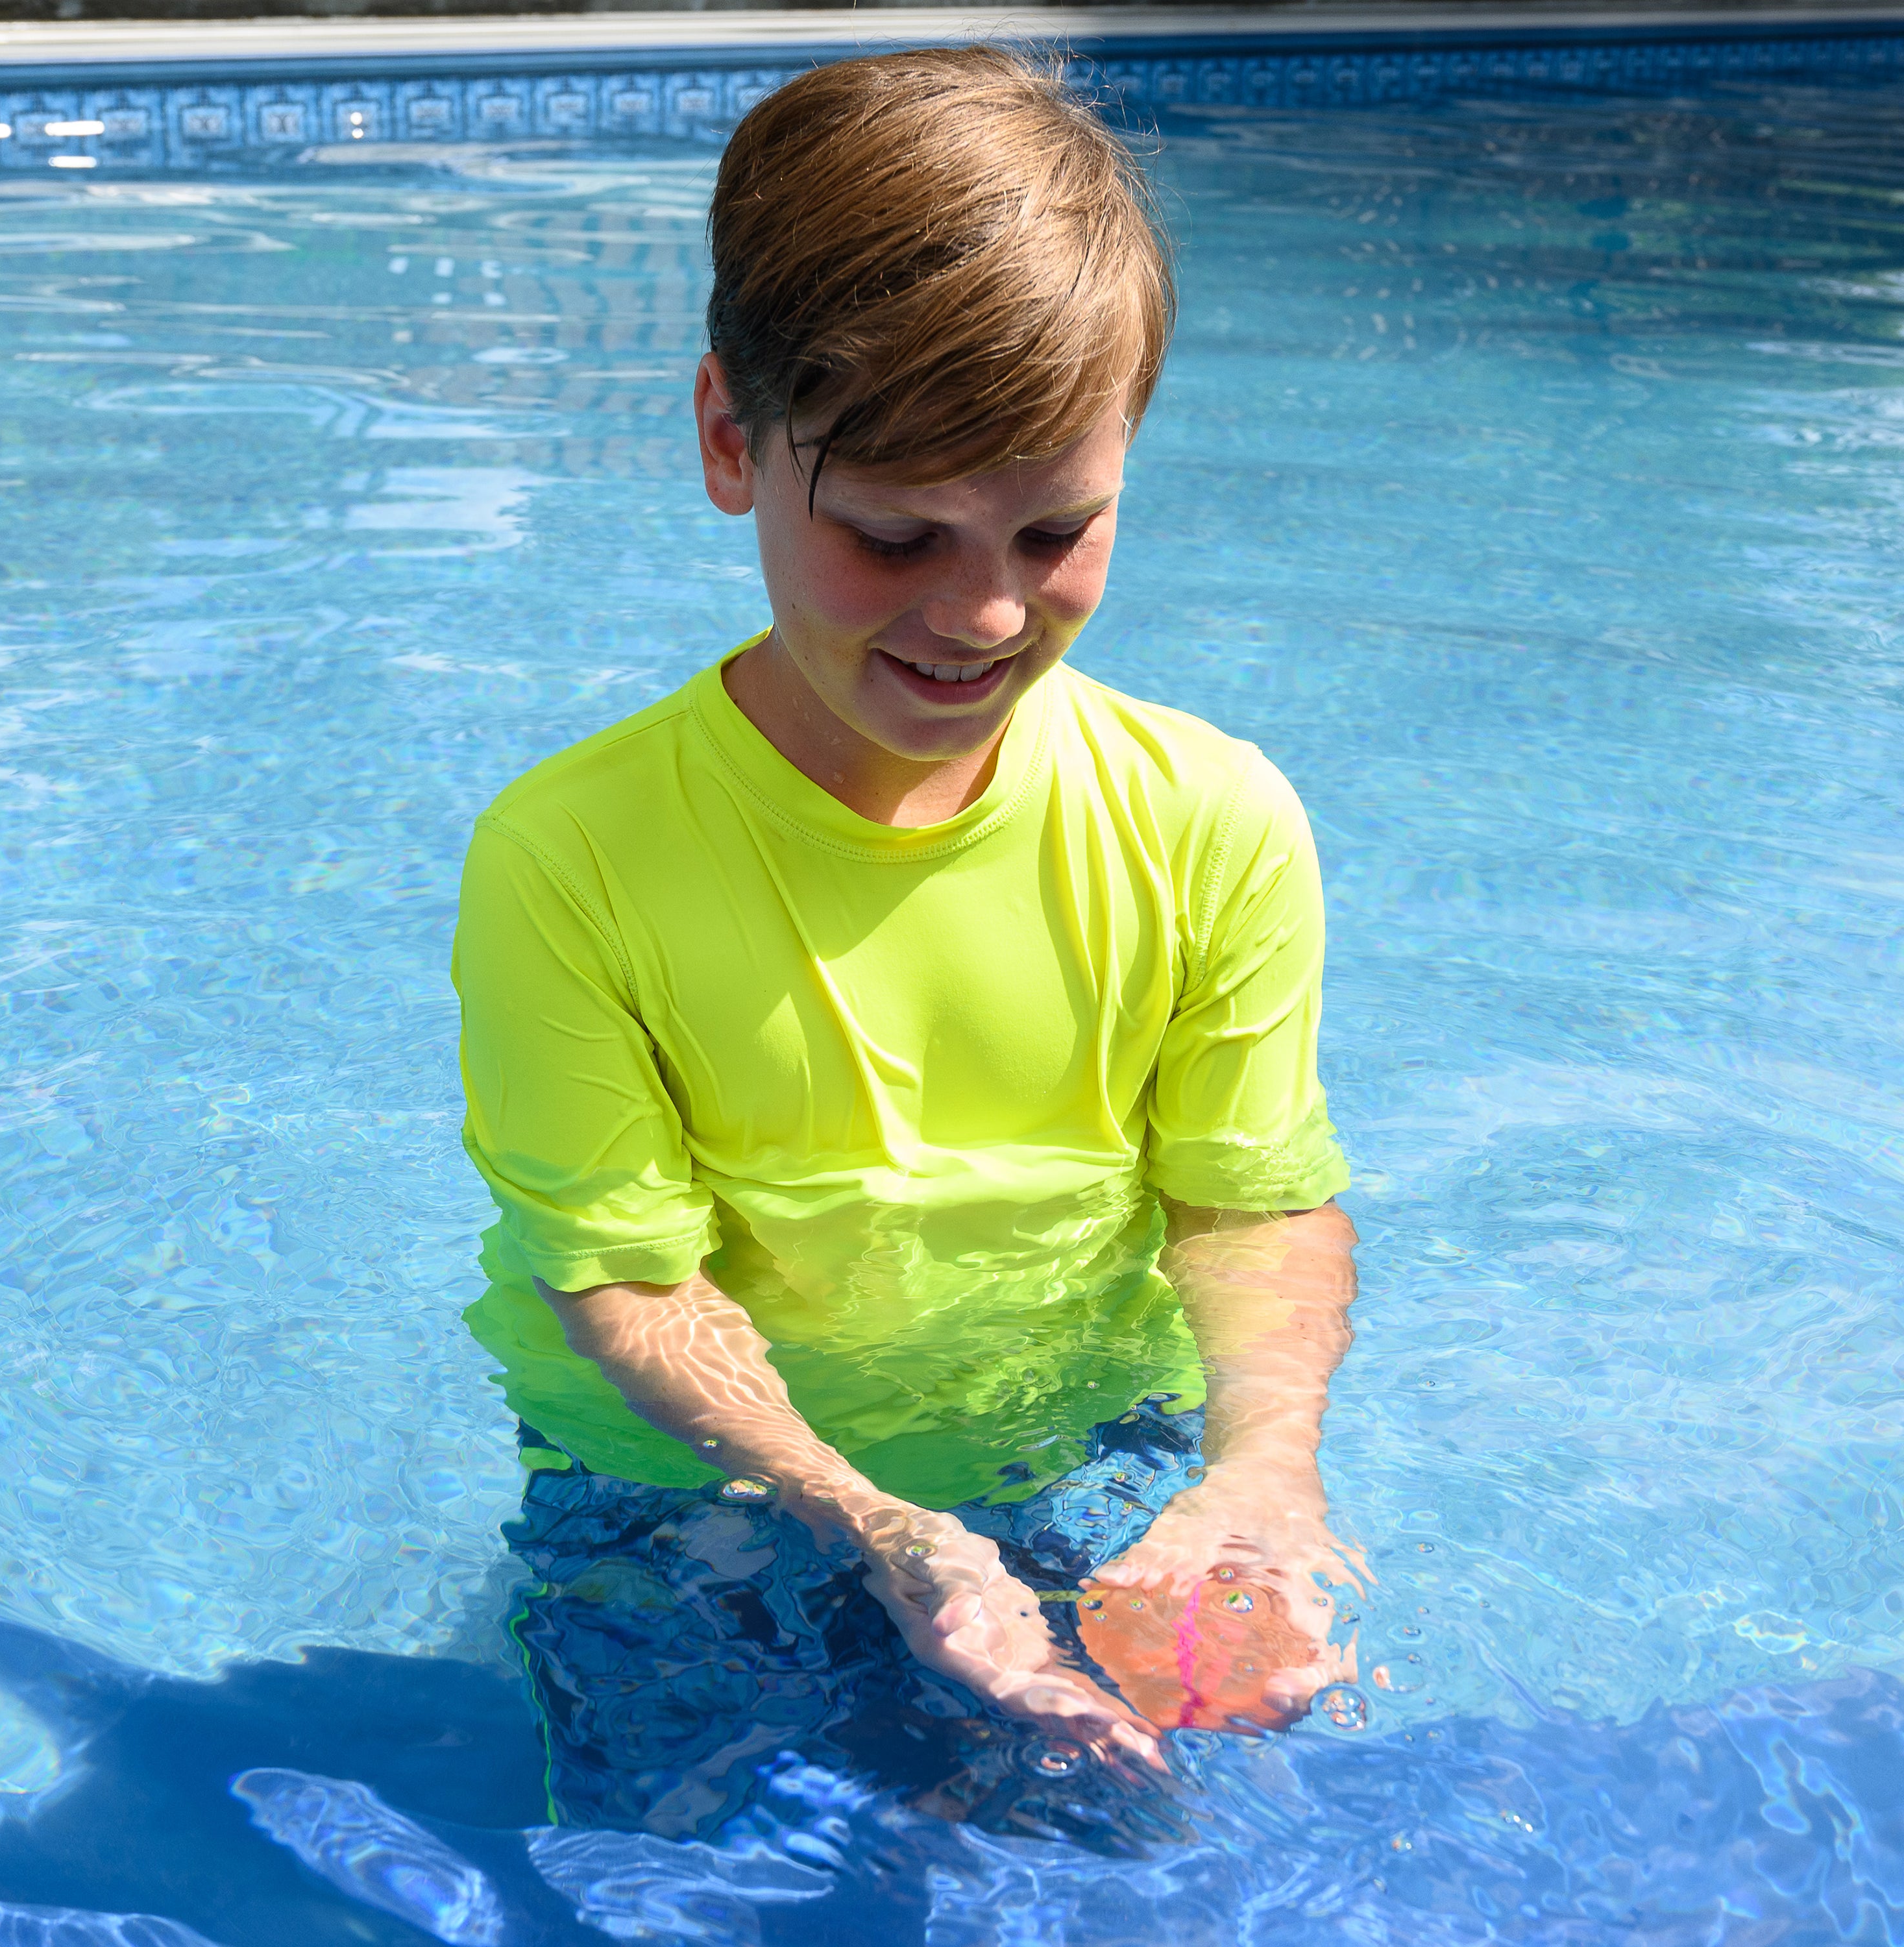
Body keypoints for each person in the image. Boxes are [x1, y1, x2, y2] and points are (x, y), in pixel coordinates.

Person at [452, 44, 1363, 1838]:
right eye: (894, 535)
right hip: (677, 1486)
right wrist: (869, 1525)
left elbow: (1249, 1200)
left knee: (1190, 1840)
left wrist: (1264, 1478)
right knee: (665, 1855)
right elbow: (623, 1281)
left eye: (1057, 527)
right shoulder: (573, 855)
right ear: (732, 441)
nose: (985, 611)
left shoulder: (1211, 816)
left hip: (1080, 1460)